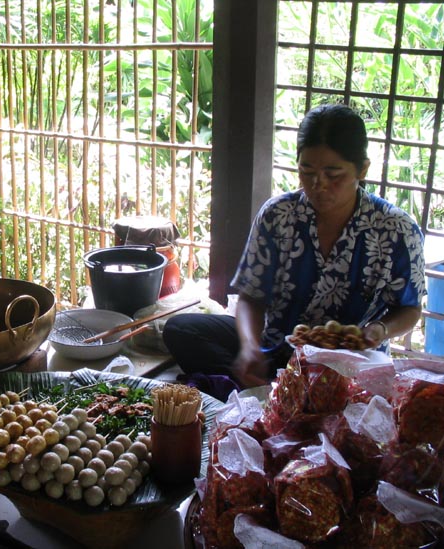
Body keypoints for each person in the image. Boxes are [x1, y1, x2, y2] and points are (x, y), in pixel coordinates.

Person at [163, 104, 426, 390]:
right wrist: (250, 346)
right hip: (278, 346)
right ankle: (274, 389)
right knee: (182, 329)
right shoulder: (279, 215)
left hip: (351, 361)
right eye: (307, 170)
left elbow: (409, 309)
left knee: (340, 394)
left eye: (333, 174)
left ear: (362, 169)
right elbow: (252, 296)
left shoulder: (396, 229)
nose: (318, 185)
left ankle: (272, 393)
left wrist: (379, 330)